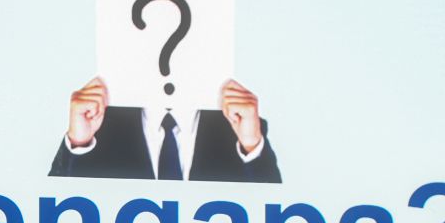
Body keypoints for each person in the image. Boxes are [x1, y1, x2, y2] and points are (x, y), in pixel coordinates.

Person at [48, 77, 281, 182]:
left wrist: (252, 147)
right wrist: (78, 144)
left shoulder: (238, 129)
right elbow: (51, 220)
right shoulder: (97, 128)